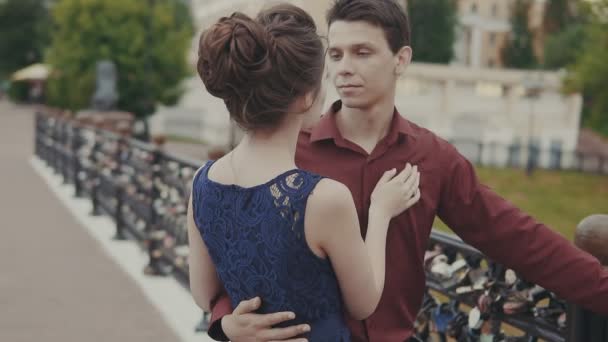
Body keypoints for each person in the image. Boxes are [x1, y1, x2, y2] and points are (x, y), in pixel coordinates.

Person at [207, 0, 608, 341]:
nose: (343, 68)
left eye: (362, 52)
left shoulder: (432, 157)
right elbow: (226, 240)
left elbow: (517, 238)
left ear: (401, 59)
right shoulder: (288, 152)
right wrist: (225, 324)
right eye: (336, 54)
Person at [187, 4, 421, 341]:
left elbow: (203, 292)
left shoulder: (202, 182)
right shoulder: (323, 198)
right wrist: (381, 212)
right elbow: (364, 303)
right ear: (306, 96)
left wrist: (227, 327)